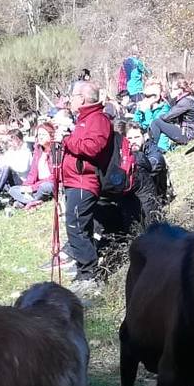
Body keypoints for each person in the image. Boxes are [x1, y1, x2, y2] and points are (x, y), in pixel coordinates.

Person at [56, 80, 113, 289]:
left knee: (76, 225)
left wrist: (66, 140)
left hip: (84, 181)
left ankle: (88, 275)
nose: (70, 100)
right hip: (74, 181)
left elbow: (92, 148)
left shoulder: (97, 119)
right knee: (80, 226)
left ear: (81, 98)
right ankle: (83, 271)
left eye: (72, 96)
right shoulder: (83, 119)